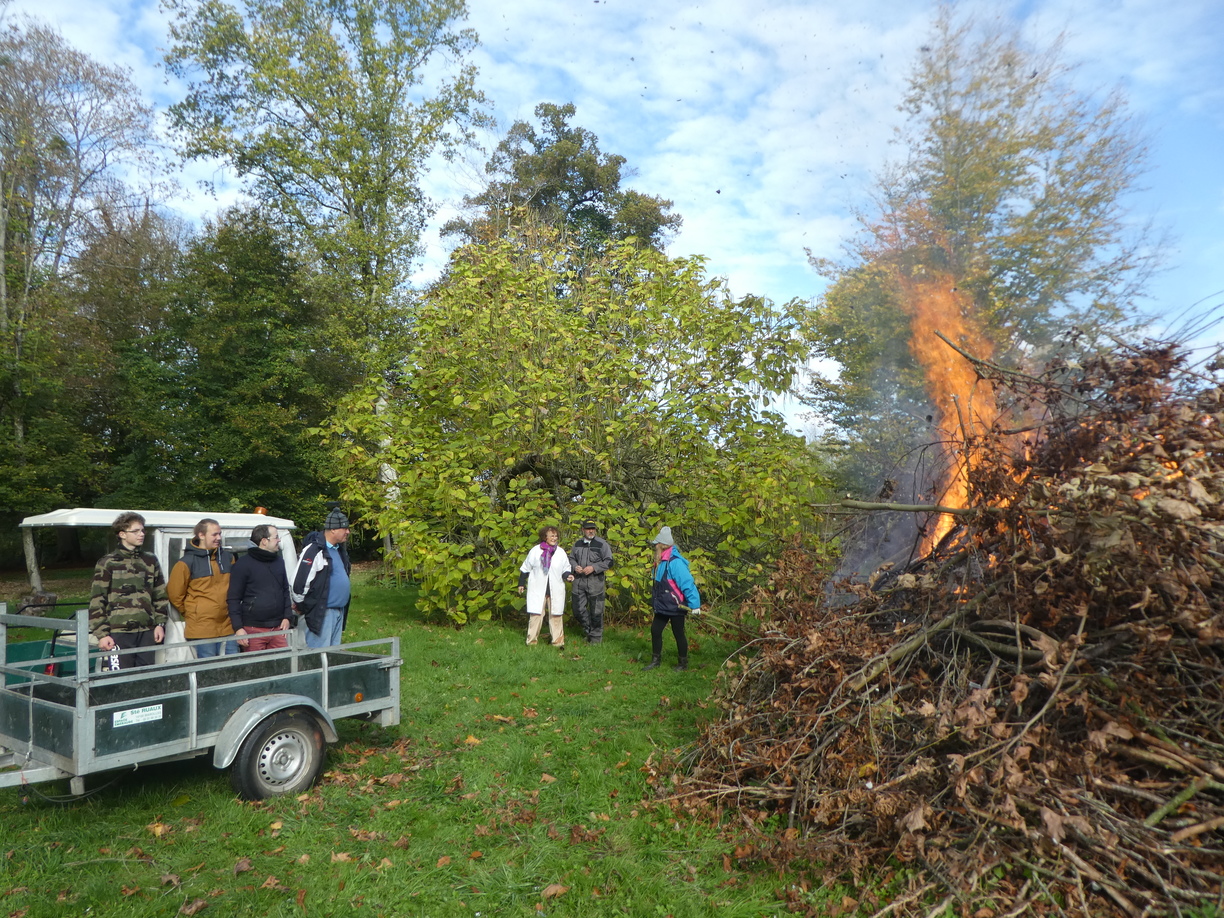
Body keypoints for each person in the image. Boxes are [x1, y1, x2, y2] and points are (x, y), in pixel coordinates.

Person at [89, 512, 170, 670]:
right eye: (136, 531)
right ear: (122, 534)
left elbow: (159, 594)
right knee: (121, 677)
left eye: (143, 530)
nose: (141, 534)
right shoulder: (107, 562)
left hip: (147, 631)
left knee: (146, 676)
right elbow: (97, 600)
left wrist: (160, 624)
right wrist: (102, 634)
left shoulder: (150, 560)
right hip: (119, 632)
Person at [167, 518, 238, 658]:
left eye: (220, 534)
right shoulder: (185, 562)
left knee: (234, 667)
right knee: (208, 668)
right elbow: (174, 594)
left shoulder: (228, 558)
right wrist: (194, 611)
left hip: (229, 625)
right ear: (201, 535)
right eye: (214, 534)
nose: (219, 538)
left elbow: (236, 588)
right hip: (201, 628)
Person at [292, 508, 352, 649]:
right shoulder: (314, 550)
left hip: (338, 611)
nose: (348, 532)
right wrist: (303, 607)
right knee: (319, 654)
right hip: (322, 612)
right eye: (344, 528)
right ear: (333, 530)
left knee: (333, 655)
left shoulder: (339, 550)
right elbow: (299, 584)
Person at [644, 525, 701, 672]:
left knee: (678, 633)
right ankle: (655, 661)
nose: (655, 546)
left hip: (676, 606)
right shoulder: (661, 561)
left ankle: (683, 663)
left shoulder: (675, 562)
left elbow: (687, 584)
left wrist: (695, 605)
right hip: (663, 605)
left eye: (656, 544)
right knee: (655, 631)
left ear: (663, 545)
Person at [228, 523, 293, 652]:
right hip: (253, 629)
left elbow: (285, 590)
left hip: (278, 628)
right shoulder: (243, 564)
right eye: (276, 537)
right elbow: (233, 598)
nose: (279, 540)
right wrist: (238, 628)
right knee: (257, 664)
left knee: (283, 662)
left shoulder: (279, 562)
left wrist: (287, 617)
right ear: (264, 541)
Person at [517, 525, 573, 648]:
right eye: (551, 536)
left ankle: (558, 643)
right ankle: (531, 642)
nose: (554, 538)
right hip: (537, 588)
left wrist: (568, 576)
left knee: (556, 615)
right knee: (536, 616)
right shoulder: (535, 551)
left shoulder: (560, 552)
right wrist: (521, 583)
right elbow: (525, 568)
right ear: (544, 537)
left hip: (555, 589)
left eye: (556, 536)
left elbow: (566, 568)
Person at [568, 519, 613, 643]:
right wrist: (575, 566)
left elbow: (609, 561)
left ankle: (595, 639)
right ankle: (589, 631)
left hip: (595, 583)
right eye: (588, 529)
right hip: (579, 583)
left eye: (593, 528)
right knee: (577, 610)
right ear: (583, 530)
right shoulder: (577, 544)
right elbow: (571, 558)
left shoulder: (602, 544)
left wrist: (594, 567)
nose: (591, 531)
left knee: (596, 612)